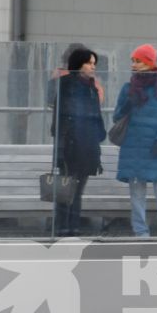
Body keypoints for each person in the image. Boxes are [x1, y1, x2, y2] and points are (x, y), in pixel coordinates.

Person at [113, 44, 157, 238]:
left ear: (149, 63)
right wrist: (127, 104)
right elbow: (117, 116)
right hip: (134, 147)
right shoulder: (128, 88)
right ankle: (141, 232)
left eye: (139, 61)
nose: (134, 64)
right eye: (133, 61)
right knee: (137, 195)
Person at [52, 48, 106, 238]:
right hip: (70, 145)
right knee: (66, 189)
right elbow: (61, 116)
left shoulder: (90, 86)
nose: (93, 67)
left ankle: (73, 228)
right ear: (78, 64)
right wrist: (63, 141)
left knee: (77, 190)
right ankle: (62, 228)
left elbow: (94, 113)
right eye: (89, 63)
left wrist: (99, 133)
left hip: (87, 145)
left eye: (94, 64)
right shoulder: (66, 84)